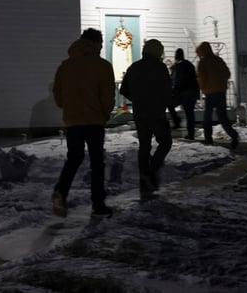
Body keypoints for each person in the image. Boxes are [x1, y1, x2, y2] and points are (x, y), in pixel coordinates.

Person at [51, 28, 116, 218]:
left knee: (74, 158)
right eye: (101, 43)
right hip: (94, 120)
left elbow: (58, 94)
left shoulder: (65, 65)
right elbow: (107, 95)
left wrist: (68, 107)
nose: (102, 46)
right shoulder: (102, 65)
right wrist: (105, 113)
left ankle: (60, 192)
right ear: (95, 43)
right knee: (97, 163)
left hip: (73, 121)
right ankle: (98, 204)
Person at [120, 39, 173, 198]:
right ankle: (151, 171)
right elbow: (167, 91)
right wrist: (168, 107)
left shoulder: (134, 67)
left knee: (144, 145)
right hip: (156, 112)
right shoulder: (160, 68)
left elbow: (123, 89)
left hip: (140, 112)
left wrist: (136, 98)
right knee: (165, 142)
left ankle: (144, 180)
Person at [195, 41, 239, 151]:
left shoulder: (203, 63)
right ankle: (233, 135)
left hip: (210, 93)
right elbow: (227, 73)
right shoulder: (218, 60)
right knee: (222, 116)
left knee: (207, 116)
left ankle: (208, 139)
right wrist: (221, 82)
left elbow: (201, 78)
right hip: (221, 91)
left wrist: (202, 87)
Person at [167, 48, 200, 140]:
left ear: (176, 56)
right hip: (192, 92)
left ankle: (177, 121)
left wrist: (173, 91)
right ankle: (191, 133)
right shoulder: (189, 65)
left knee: (170, 104)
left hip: (183, 93)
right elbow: (195, 77)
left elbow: (177, 81)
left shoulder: (178, 67)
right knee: (190, 113)